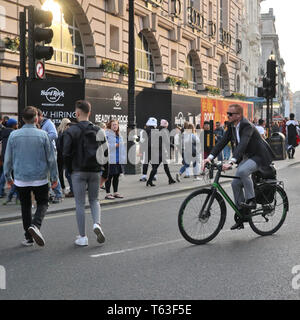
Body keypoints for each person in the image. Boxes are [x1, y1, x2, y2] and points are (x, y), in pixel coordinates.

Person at [203, 104, 275, 230]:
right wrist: (209, 158)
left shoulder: (246, 125)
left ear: (239, 115)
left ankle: (251, 200)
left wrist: (231, 162)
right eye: (227, 113)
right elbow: (221, 142)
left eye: (230, 114)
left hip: (259, 156)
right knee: (235, 184)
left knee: (242, 171)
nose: (228, 115)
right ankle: (242, 214)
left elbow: (243, 144)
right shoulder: (231, 126)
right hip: (248, 156)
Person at [4, 106, 58, 246]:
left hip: (21, 178)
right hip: (40, 177)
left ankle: (28, 237)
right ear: (36, 118)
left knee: (25, 206)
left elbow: (8, 159)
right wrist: (54, 177)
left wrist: (8, 177)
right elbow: (51, 159)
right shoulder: (43, 135)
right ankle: (35, 225)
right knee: (43, 203)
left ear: (22, 119)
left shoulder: (13, 135)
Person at [63, 100, 107, 246]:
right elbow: (105, 153)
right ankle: (97, 224)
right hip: (95, 171)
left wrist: (69, 170)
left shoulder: (71, 131)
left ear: (77, 113)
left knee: (80, 204)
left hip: (78, 171)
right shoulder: (98, 130)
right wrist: (104, 173)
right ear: (90, 113)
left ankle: (82, 237)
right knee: (94, 200)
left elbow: (66, 154)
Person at [37, 109, 63, 203]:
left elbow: (54, 134)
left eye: (36, 117)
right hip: (42, 152)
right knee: (45, 173)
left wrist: (42, 140)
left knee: (53, 173)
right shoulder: (39, 125)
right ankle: (49, 194)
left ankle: (58, 194)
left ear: (40, 116)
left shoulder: (48, 123)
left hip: (50, 151)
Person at [146, 119, 176, 186]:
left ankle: (170, 179)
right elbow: (167, 142)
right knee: (157, 167)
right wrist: (173, 146)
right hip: (160, 152)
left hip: (155, 152)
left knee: (164, 166)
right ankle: (149, 181)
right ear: (165, 126)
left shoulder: (155, 131)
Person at [105, 119, 126, 199]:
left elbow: (122, 147)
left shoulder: (119, 135)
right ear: (110, 125)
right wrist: (115, 145)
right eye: (113, 125)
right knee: (109, 176)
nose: (115, 126)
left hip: (118, 159)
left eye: (116, 125)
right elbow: (104, 146)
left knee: (116, 176)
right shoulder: (106, 134)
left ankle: (115, 192)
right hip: (110, 159)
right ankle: (107, 193)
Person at [1, 118, 19, 205]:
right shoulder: (14, 134)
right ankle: (15, 195)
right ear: (13, 125)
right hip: (13, 157)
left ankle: (2, 192)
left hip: (4, 156)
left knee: (5, 174)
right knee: (16, 177)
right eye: (16, 124)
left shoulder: (3, 132)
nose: (17, 125)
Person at [56, 118, 74, 197]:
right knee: (68, 173)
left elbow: (58, 146)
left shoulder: (59, 132)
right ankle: (72, 190)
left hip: (60, 155)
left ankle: (64, 188)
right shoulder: (66, 133)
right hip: (65, 155)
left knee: (62, 173)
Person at [139, 117, 157, 182]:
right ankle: (154, 176)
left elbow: (141, 141)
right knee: (154, 163)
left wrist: (140, 151)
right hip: (154, 149)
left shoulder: (143, 131)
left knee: (145, 163)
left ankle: (144, 176)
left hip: (146, 149)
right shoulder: (156, 131)